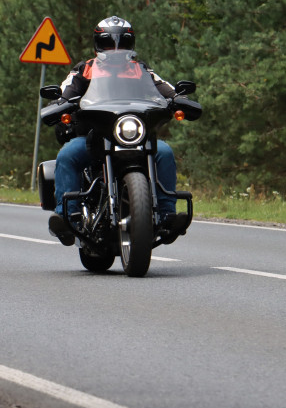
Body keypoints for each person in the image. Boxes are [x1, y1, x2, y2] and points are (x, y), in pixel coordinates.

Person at [47, 16, 190, 246]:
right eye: (107, 43)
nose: (115, 49)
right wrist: (59, 103)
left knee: (164, 152)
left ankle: (166, 215)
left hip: (134, 135)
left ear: (130, 45)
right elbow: (67, 90)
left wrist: (178, 99)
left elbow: (164, 88)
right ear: (97, 45)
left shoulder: (141, 70)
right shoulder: (84, 70)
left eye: (122, 43)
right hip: (94, 137)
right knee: (67, 155)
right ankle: (67, 216)